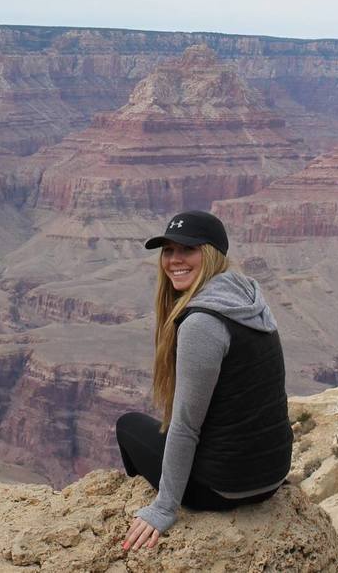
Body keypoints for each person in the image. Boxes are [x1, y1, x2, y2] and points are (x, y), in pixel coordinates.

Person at [116, 210, 293, 552]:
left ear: (211, 254)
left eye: (188, 249)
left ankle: (146, 498)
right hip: (270, 477)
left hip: (223, 488)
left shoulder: (203, 323)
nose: (174, 260)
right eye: (168, 250)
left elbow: (186, 426)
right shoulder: (247, 298)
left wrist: (164, 508)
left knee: (128, 426)